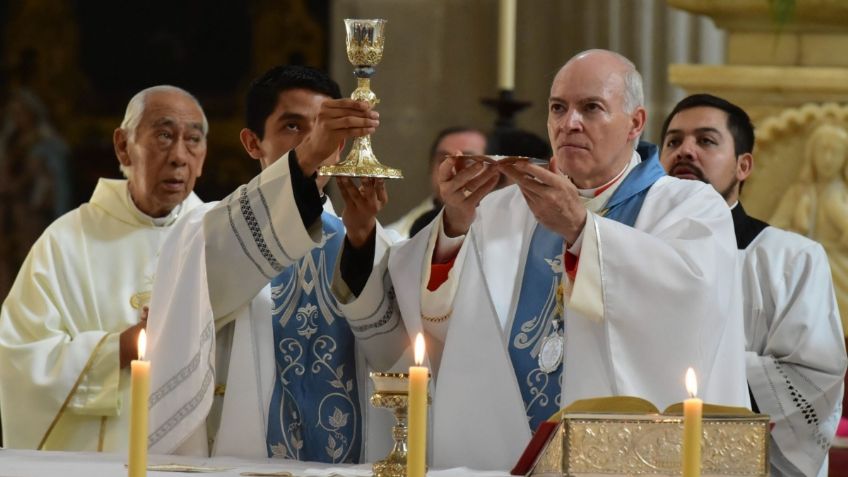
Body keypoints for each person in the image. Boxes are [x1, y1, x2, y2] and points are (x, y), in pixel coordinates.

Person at [333, 49, 750, 470]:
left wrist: (582, 232)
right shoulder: (504, 208)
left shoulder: (689, 206)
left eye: (591, 108)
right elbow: (429, 314)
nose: (570, 123)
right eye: (558, 108)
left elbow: (693, 305)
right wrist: (455, 225)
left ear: (635, 123)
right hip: (504, 450)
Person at [145, 65, 400, 463]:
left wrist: (361, 240)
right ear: (252, 142)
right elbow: (218, 265)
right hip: (244, 460)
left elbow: (392, 355)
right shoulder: (202, 229)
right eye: (294, 127)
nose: (316, 141)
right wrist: (307, 156)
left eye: (324, 129)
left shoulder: (368, 237)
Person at [0, 85, 207, 451]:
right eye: (163, 135)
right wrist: (120, 349)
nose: (179, 156)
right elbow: (19, 358)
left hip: (193, 455)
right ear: (123, 145)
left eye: (193, 140)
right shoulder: (66, 242)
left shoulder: (217, 237)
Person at [660, 93, 847, 477]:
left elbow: (815, 377)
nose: (685, 151)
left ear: (743, 165)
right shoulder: (631, 249)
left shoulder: (790, 258)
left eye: (706, 141)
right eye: (674, 141)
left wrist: (698, 370)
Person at [0, 89, 72, 302]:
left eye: (21, 112)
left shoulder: (46, 142)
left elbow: (52, 180)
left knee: (33, 256)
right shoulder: (10, 142)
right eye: (14, 113)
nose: (18, 118)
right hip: (9, 207)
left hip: (34, 209)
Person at [387, 126, 486, 238]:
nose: (452, 170)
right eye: (444, 160)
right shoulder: (395, 241)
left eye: (468, 161)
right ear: (430, 168)